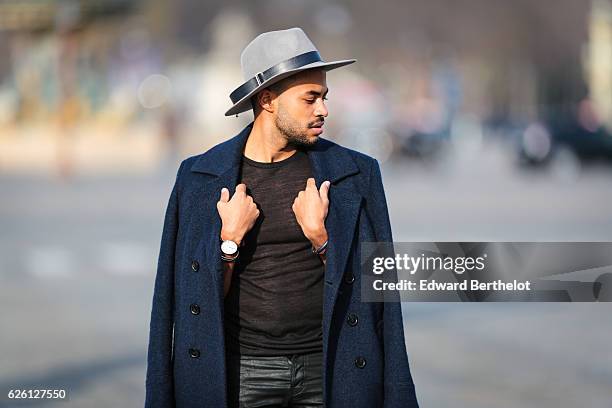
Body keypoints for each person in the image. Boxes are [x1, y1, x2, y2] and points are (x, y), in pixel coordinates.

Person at [145, 27, 419, 408]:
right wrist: (229, 241)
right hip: (241, 374)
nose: (323, 109)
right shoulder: (198, 178)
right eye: (310, 98)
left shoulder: (355, 173)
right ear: (268, 99)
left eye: (324, 97)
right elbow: (173, 302)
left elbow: (382, 294)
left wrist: (323, 239)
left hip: (333, 369)